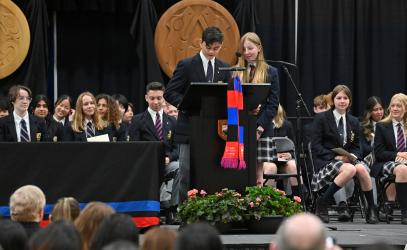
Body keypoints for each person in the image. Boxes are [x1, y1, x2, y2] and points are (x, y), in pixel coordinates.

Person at [164, 26, 230, 202]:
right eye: (208, 47)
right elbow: (170, 92)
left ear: (221, 46)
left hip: (214, 128)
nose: (211, 51)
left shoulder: (224, 67)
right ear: (201, 43)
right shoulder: (186, 65)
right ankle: (184, 210)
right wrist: (188, 103)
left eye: (216, 48)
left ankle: (209, 208)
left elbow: (228, 95)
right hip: (190, 126)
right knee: (186, 171)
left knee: (210, 170)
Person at [311, 84, 378, 224]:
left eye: (345, 98)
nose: (342, 101)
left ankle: (371, 208)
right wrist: (335, 156)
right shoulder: (322, 118)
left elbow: (357, 146)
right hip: (326, 161)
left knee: (361, 168)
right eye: (339, 98)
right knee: (351, 169)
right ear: (333, 100)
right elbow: (316, 146)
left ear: (349, 101)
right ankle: (322, 203)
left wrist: (351, 156)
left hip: (347, 161)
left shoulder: (353, 121)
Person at [232, 32, 280, 185]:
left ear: (259, 48)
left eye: (250, 48)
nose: (246, 53)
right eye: (244, 49)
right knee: (241, 167)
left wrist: (259, 128)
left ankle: (258, 202)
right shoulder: (236, 72)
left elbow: (273, 104)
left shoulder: (270, 72)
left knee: (259, 171)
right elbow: (232, 101)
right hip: (241, 125)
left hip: (262, 127)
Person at [129, 82, 180, 224]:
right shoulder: (137, 120)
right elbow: (134, 147)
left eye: (159, 98)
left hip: (167, 164)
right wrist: (152, 159)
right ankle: (163, 208)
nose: (156, 102)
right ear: (146, 98)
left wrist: (169, 158)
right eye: (152, 98)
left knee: (179, 167)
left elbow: (177, 148)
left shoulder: (172, 121)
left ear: (163, 98)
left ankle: (172, 209)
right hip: (147, 165)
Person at [373, 93, 407, 224]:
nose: (395, 109)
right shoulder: (382, 126)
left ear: (406, 108)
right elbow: (379, 153)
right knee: (402, 169)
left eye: (399, 106)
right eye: (392, 106)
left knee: (403, 168)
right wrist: (399, 155)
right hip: (386, 162)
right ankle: (405, 212)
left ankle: (390, 204)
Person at [262, 104, 301, 197]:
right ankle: (266, 200)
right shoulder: (260, 125)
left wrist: (290, 154)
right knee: (271, 168)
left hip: (283, 161)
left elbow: (294, 146)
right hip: (267, 159)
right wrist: (274, 155)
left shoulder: (287, 125)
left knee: (293, 166)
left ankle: (298, 200)